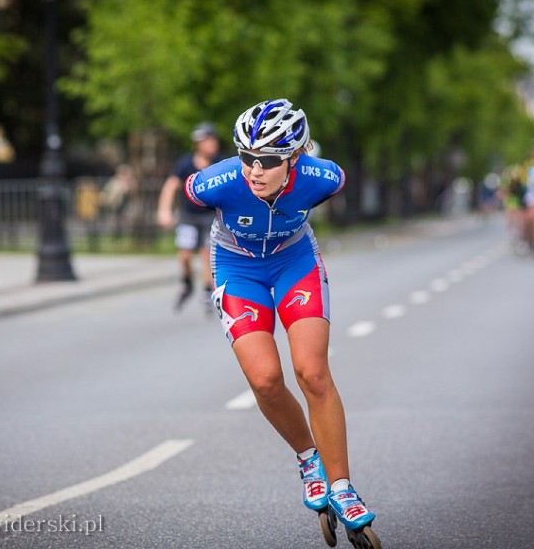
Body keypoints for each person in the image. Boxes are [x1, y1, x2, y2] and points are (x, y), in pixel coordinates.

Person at [184, 99, 377, 533]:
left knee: (312, 373)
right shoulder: (215, 182)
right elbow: (187, 189)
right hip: (238, 267)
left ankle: (343, 486)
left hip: (295, 263)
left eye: (268, 160)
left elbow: (334, 181)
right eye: (246, 156)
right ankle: (310, 460)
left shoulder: (321, 176)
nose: (254, 170)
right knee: (266, 380)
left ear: (294, 157)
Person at [156, 122, 221, 312]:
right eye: (207, 141)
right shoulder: (186, 163)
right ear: (198, 144)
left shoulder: (219, 163)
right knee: (184, 254)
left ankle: (207, 290)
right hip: (189, 215)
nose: (212, 144)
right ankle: (187, 282)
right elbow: (171, 185)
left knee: (206, 254)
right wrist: (164, 210)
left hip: (211, 217)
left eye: (213, 140)